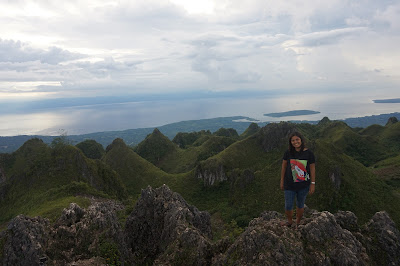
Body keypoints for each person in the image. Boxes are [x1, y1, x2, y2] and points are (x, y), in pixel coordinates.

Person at [280, 131, 315, 228]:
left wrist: (313, 183)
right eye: (293, 140)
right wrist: (282, 180)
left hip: (303, 185)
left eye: (297, 140)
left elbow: (312, 168)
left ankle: (298, 222)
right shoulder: (288, 152)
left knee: (300, 205)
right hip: (289, 185)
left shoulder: (309, 153)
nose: (295, 142)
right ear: (290, 142)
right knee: (288, 206)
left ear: (301, 140)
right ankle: (290, 221)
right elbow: (283, 167)